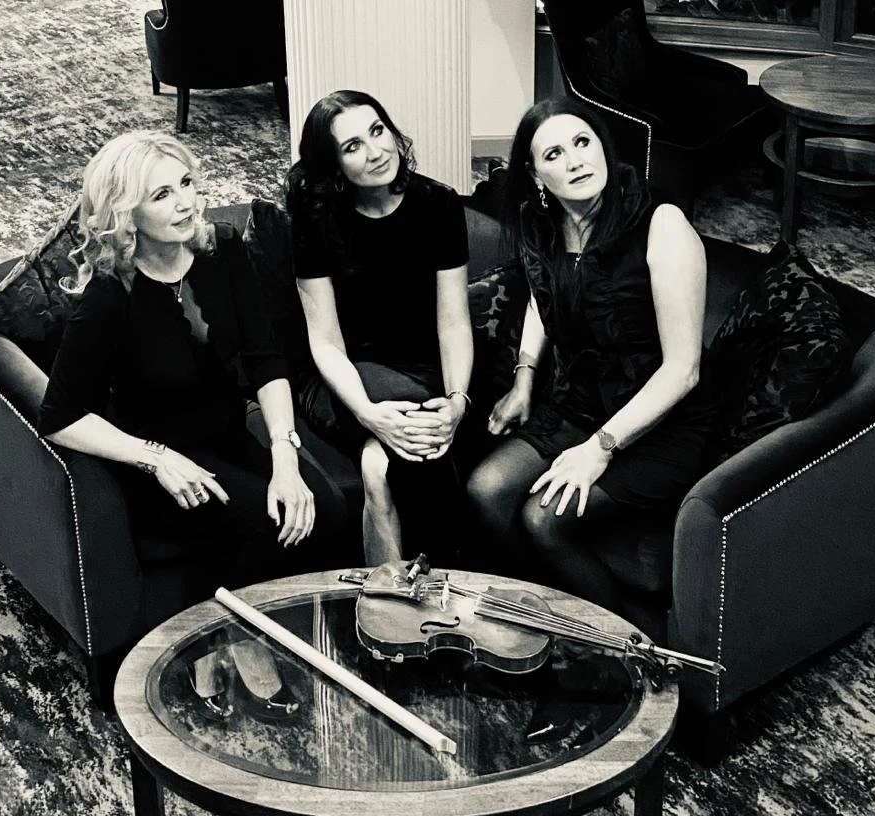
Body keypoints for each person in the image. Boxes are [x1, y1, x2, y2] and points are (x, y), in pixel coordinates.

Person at [38, 130, 347, 608]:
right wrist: (155, 457)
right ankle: (228, 648)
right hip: (158, 460)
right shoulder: (109, 293)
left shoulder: (221, 249)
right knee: (271, 523)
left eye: (186, 183)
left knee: (322, 506)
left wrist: (285, 456)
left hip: (227, 434)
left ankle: (277, 646)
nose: (186, 203)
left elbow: (266, 361)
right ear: (128, 214)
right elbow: (59, 417)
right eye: (162, 195)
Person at [466, 98, 720, 637]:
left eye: (583, 142)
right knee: (487, 491)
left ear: (603, 144)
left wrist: (599, 449)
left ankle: (634, 651)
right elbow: (544, 293)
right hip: (583, 402)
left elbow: (684, 369)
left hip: (663, 420)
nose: (576, 161)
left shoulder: (662, 225)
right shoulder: (543, 224)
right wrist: (525, 376)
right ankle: (545, 627)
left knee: (543, 519)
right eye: (554, 153)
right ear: (536, 175)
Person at [286, 89, 473, 566]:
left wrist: (457, 401)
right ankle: (443, 580)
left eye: (378, 130)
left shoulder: (438, 204)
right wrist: (369, 414)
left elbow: (453, 321)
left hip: (422, 369)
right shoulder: (316, 216)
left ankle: (390, 601)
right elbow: (325, 342)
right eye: (353, 146)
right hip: (340, 375)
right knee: (409, 448)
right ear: (334, 166)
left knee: (379, 463)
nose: (376, 151)